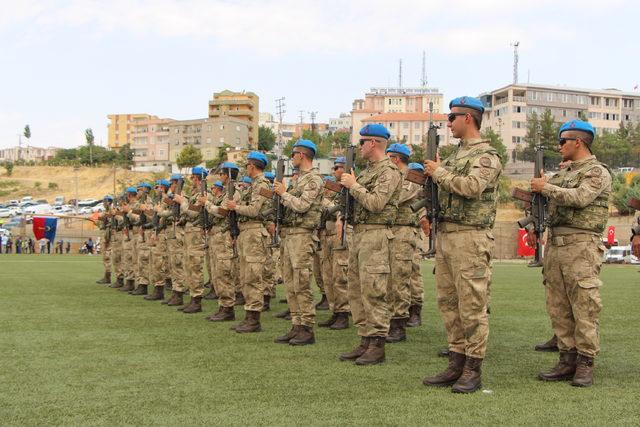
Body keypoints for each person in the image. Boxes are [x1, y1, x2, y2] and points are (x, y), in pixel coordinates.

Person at [421, 96, 503, 393]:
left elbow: (471, 187)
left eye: (452, 117)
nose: (449, 123)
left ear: (468, 118)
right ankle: (456, 359)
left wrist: (438, 172)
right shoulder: (454, 156)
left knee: (471, 304)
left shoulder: (486, 156)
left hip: (471, 236)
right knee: (449, 302)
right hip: (448, 234)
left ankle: (473, 367)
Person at [529, 119, 611, 387]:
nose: (559, 146)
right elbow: (547, 203)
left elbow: (580, 198)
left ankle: (585, 363)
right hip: (556, 244)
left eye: (563, 141)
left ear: (579, 141)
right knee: (558, 305)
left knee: (584, 305)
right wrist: (534, 221)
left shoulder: (596, 172)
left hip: (582, 245)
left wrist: (547, 188)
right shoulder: (562, 174)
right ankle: (567, 358)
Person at [338, 124, 402, 365]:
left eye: (363, 142)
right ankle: (365, 338)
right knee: (356, 288)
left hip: (376, 235)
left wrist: (353, 185)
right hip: (360, 233)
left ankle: (377, 343)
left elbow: (376, 203)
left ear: (373, 143)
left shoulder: (389, 171)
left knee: (374, 290)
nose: (360, 147)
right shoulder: (366, 172)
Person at [273, 139, 324, 346]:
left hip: (302, 235)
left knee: (301, 282)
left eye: (293, 154)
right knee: (291, 282)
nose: (292, 158)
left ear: (301, 155)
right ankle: (297, 324)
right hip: (290, 234)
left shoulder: (313, 179)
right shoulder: (299, 180)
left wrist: (283, 194)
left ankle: (307, 327)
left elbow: (302, 206)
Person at [223, 151, 272, 333]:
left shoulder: (263, 184)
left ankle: (254, 319)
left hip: (254, 232)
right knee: (245, 276)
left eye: (247, 165)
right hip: (246, 232)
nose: (246, 169)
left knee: (253, 275)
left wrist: (236, 207)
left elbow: (255, 210)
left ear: (252, 166)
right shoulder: (252, 185)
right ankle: (249, 315)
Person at [384, 143, 423, 343]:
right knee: (390, 278)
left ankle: (399, 323)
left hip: (403, 231)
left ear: (396, 159)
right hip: (390, 231)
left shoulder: (410, 178)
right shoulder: (393, 177)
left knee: (400, 278)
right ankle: (393, 318)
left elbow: (393, 199)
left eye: (388, 157)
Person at [202, 166, 241, 321]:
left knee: (224, 273)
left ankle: (228, 308)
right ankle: (223, 306)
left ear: (227, 176)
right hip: (217, 237)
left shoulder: (234, 193)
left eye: (221, 174)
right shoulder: (225, 192)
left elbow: (222, 211)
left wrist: (207, 203)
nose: (219, 177)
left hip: (225, 237)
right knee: (217, 273)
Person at [172, 168, 208, 313]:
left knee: (195, 267)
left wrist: (182, 202)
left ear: (198, 178)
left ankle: (197, 300)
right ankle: (193, 298)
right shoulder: (195, 194)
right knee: (188, 266)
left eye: (193, 178)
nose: (192, 181)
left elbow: (194, 212)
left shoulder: (203, 194)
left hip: (196, 234)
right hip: (189, 233)